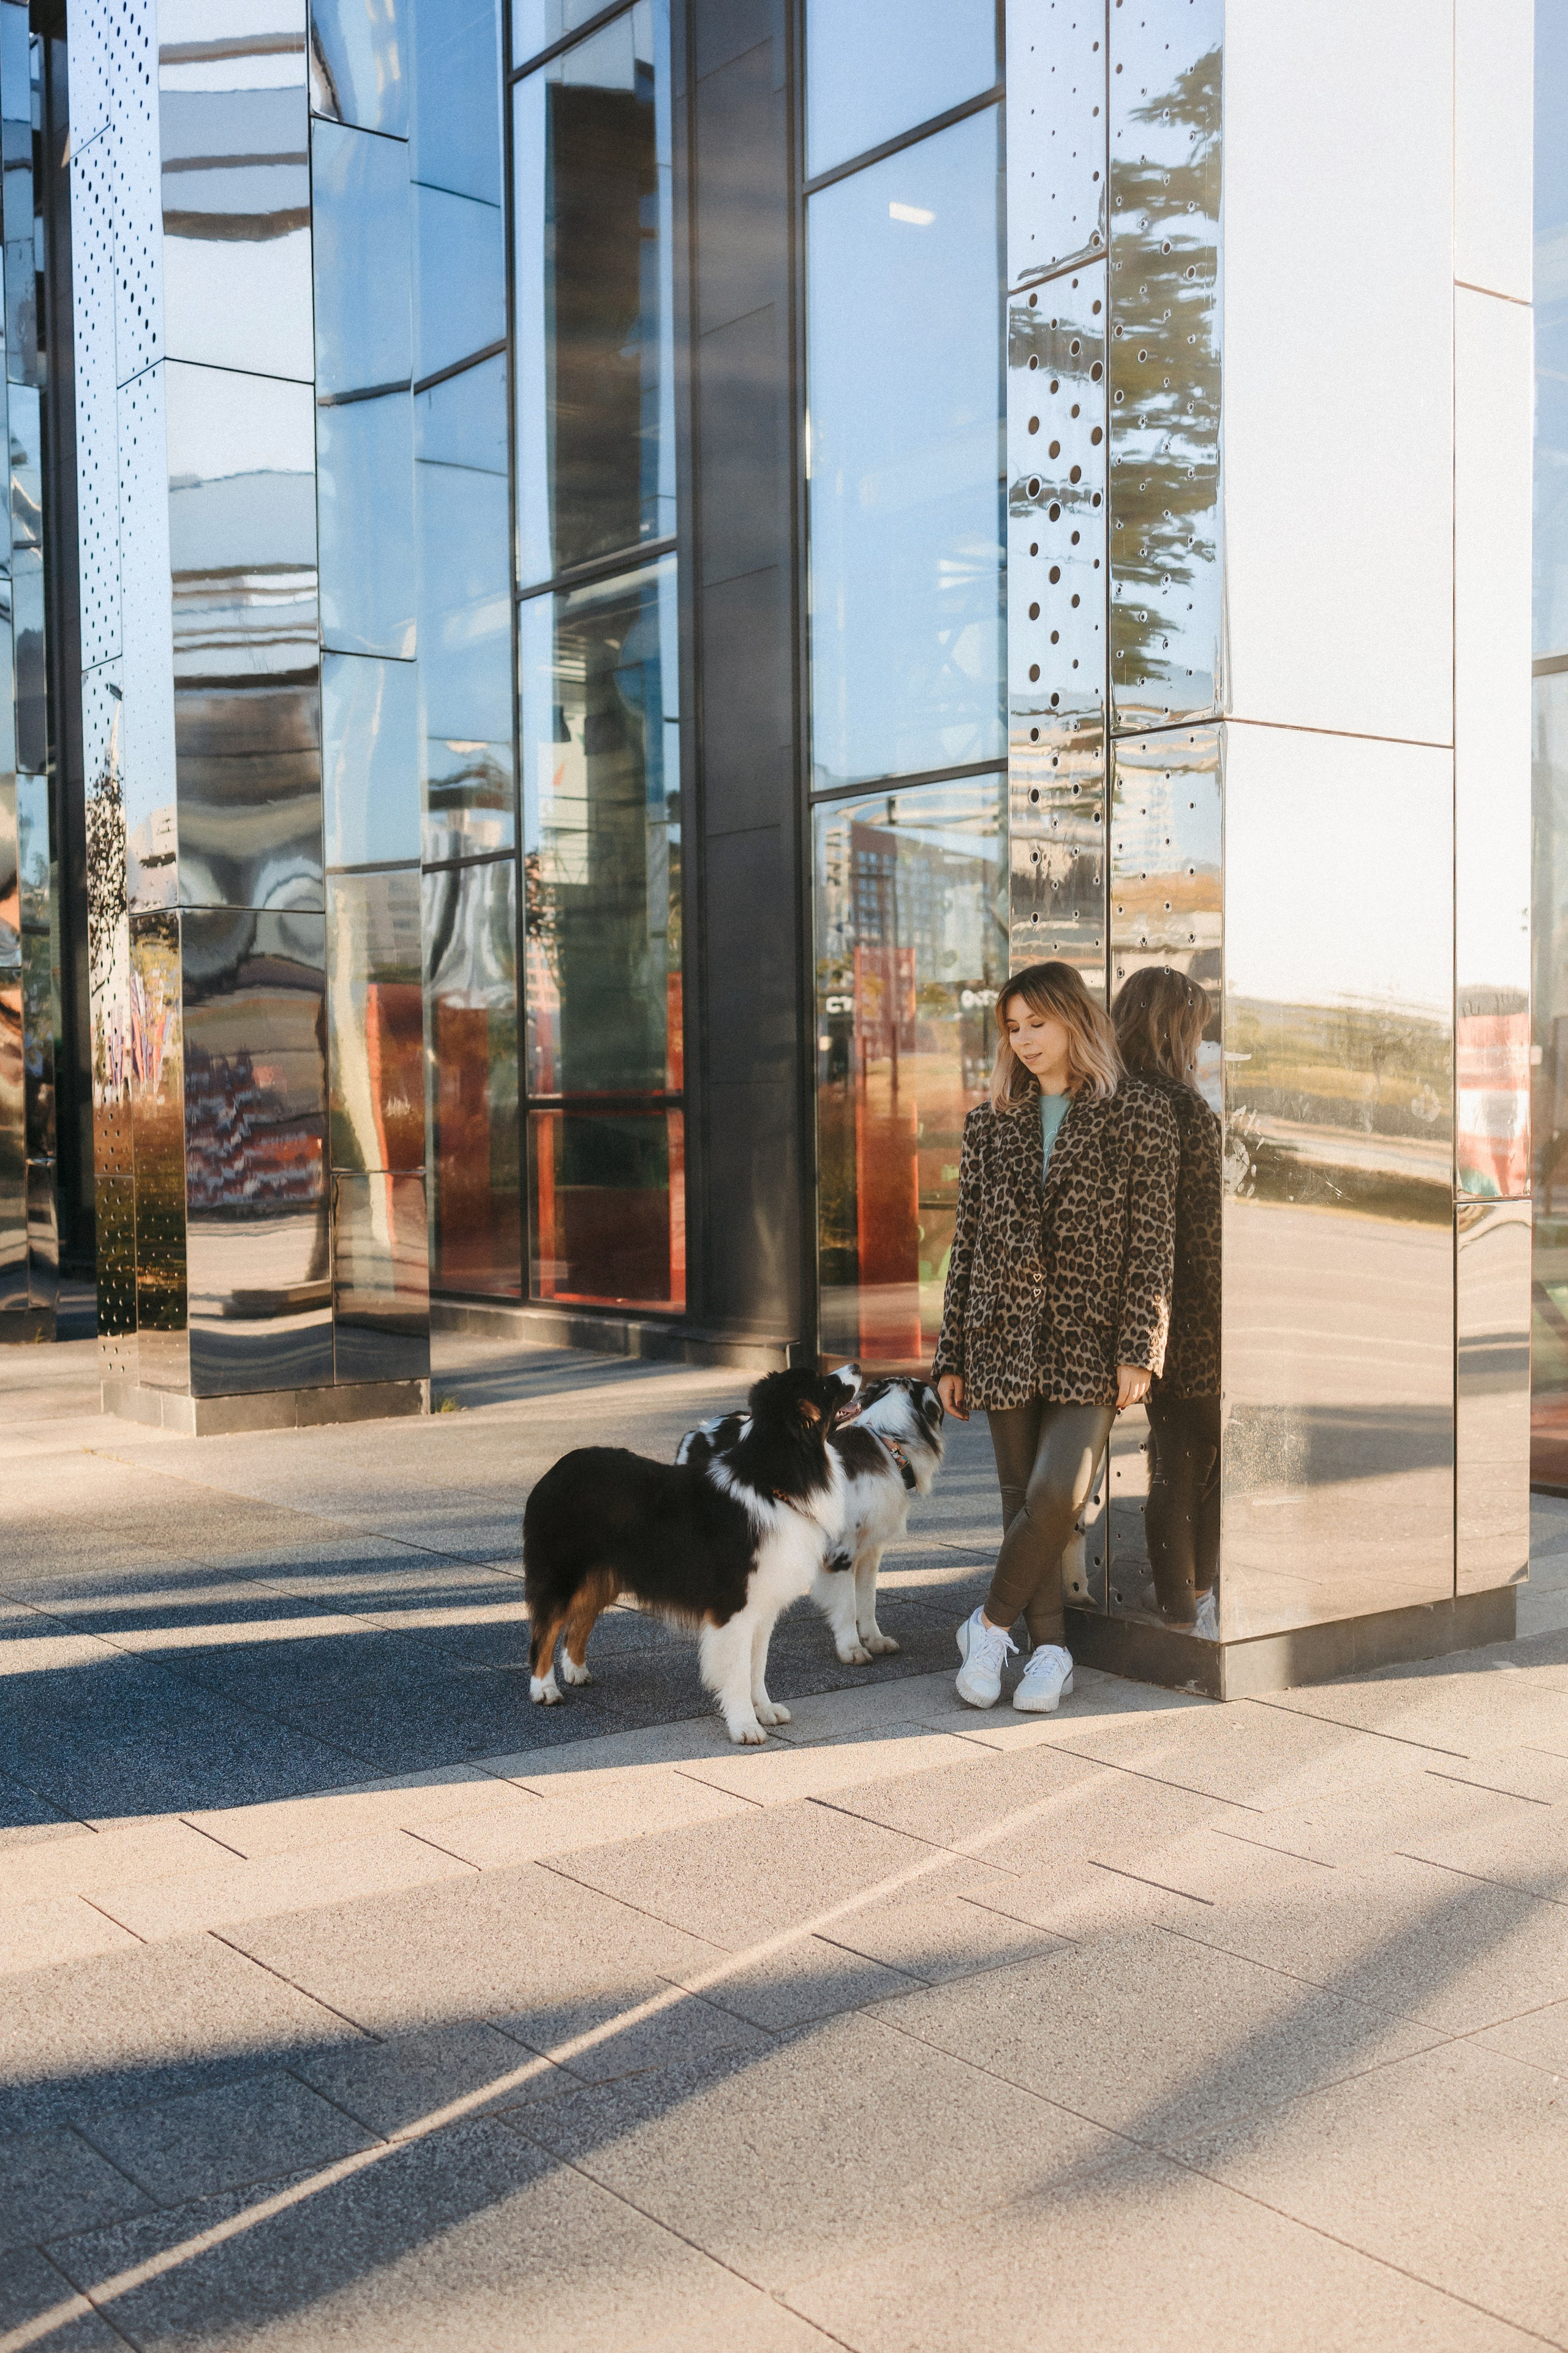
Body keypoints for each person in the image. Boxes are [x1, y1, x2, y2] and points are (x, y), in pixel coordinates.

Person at [934, 961, 1179, 1711]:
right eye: (1013, 1027)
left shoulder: (1137, 1114)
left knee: (1054, 1493)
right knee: (1019, 1502)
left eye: (1038, 1022)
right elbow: (966, 1243)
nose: (1025, 1039)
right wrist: (952, 1353)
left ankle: (987, 1623)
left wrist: (1140, 1345)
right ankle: (1050, 1654)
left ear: (1075, 1018)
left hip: (1090, 1340)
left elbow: (1153, 1242)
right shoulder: (990, 1122)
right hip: (1000, 1336)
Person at [1111, 965, 1222, 1636]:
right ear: (1175, 1029)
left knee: (1174, 1458)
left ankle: (1182, 1601)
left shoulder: (1106, 1097)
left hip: (1120, 1310)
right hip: (1188, 1316)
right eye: (1197, 1030)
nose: (1200, 1045)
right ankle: (1191, 1601)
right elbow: (1205, 1233)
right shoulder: (1184, 1108)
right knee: (1200, 1459)